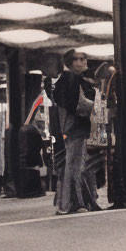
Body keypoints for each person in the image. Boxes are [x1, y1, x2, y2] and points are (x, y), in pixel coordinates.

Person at [53, 49, 96, 214]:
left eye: (84, 58)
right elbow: (78, 105)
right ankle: (73, 203)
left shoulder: (66, 80)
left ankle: (75, 202)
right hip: (76, 127)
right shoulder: (72, 79)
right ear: (72, 62)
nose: (83, 62)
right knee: (75, 165)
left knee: (73, 165)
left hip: (70, 128)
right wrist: (96, 106)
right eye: (79, 59)